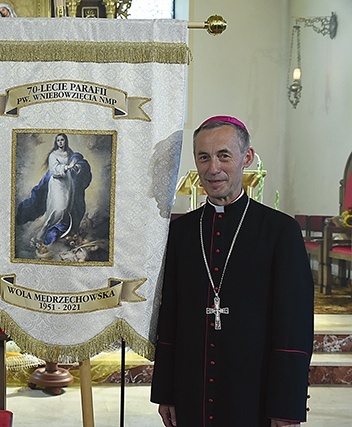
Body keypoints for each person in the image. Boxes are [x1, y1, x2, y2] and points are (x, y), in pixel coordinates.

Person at [150, 116, 314, 427]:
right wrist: (165, 392)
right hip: (191, 390)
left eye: (224, 155)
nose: (213, 168)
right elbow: (169, 316)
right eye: (204, 157)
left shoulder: (280, 231)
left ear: (246, 158)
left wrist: (286, 404)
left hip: (256, 393)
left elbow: (294, 328)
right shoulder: (182, 232)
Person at [16, 133, 92, 249]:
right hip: (57, 184)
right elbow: (54, 170)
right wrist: (67, 167)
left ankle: (54, 235)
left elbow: (74, 166)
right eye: (58, 140)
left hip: (68, 184)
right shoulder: (53, 155)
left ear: (65, 141)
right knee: (58, 209)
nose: (61, 142)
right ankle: (38, 236)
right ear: (56, 142)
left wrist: (76, 167)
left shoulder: (69, 153)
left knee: (66, 209)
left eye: (62, 140)